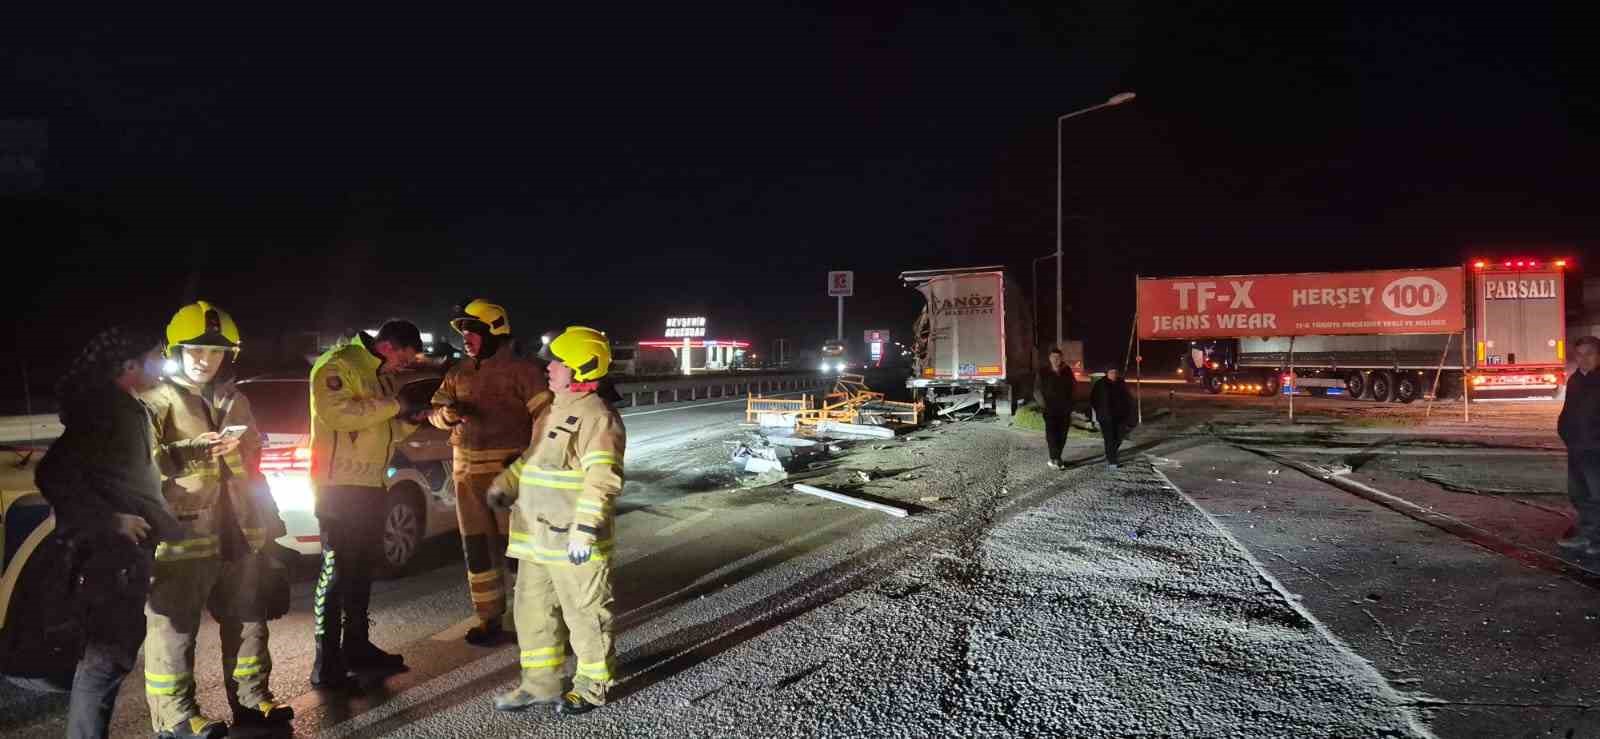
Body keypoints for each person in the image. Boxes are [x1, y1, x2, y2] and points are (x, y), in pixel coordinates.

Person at [140, 302, 293, 737]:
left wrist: (268, 518)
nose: (205, 359)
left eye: (214, 351)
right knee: (174, 630)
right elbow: (139, 466)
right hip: (182, 536)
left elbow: (256, 463)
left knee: (248, 618)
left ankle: (251, 700)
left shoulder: (234, 398)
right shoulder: (154, 401)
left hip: (240, 531)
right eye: (195, 350)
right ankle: (174, 717)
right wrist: (190, 452)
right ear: (176, 350)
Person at [36, 327, 182, 739]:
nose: (163, 364)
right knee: (104, 660)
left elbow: (122, 475)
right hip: (110, 558)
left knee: (109, 659)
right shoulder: (107, 409)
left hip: (121, 556)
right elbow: (54, 473)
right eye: (157, 356)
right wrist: (111, 520)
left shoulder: (122, 406)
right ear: (129, 365)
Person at [488, 326, 626, 717]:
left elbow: (603, 479)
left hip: (572, 541)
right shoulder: (554, 408)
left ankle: (591, 686)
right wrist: (507, 482)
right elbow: (534, 459)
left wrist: (585, 529)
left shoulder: (597, 417)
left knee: (586, 613)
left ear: (581, 368)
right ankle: (540, 683)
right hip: (537, 537)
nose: (548, 366)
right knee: (533, 612)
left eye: (557, 361)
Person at [307, 320, 429, 688]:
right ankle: (326, 663)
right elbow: (338, 414)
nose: (404, 367)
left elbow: (385, 426)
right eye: (404, 358)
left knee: (361, 572)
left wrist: (413, 420)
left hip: (373, 485)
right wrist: (395, 405)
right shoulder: (338, 364)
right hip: (338, 488)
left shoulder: (380, 373)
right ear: (389, 346)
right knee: (337, 572)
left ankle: (357, 648)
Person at [428, 299, 549, 646]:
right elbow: (436, 412)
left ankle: (536, 621)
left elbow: (546, 418)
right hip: (466, 477)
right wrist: (448, 416)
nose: (466, 338)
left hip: (508, 477)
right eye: (464, 332)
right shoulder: (457, 372)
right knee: (477, 551)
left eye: (473, 331)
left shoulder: (523, 371)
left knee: (520, 552)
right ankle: (488, 619)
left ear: (494, 331)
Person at [1557, 335, 1600, 557]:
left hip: (1596, 450)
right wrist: (1566, 434)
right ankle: (1586, 534)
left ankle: (1597, 540)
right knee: (1579, 494)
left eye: (1589, 354)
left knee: (1597, 495)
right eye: (1579, 354)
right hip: (1577, 449)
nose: (1584, 359)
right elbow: (1567, 413)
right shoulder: (1575, 379)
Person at [1033, 347, 1077, 469]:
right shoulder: (1043, 372)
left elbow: (1073, 387)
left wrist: (1071, 404)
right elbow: (1037, 390)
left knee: (1062, 434)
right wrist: (1044, 405)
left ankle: (1057, 458)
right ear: (1049, 358)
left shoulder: (1067, 370)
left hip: (1064, 409)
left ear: (1061, 358)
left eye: (1058, 357)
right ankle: (1054, 458)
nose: (1056, 359)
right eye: (1053, 357)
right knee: (1052, 434)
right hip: (1050, 409)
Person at [1091, 366, 1135, 469]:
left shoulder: (1121, 383)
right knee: (1109, 438)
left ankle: (1111, 453)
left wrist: (1129, 411)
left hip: (1120, 416)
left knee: (1119, 437)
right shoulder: (1100, 384)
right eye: (1111, 372)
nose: (1114, 374)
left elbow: (1128, 398)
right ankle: (1112, 461)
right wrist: (1100, 411)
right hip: (1105, 417)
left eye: (1115, 372)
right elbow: (1093, 399)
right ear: (1107, 373)